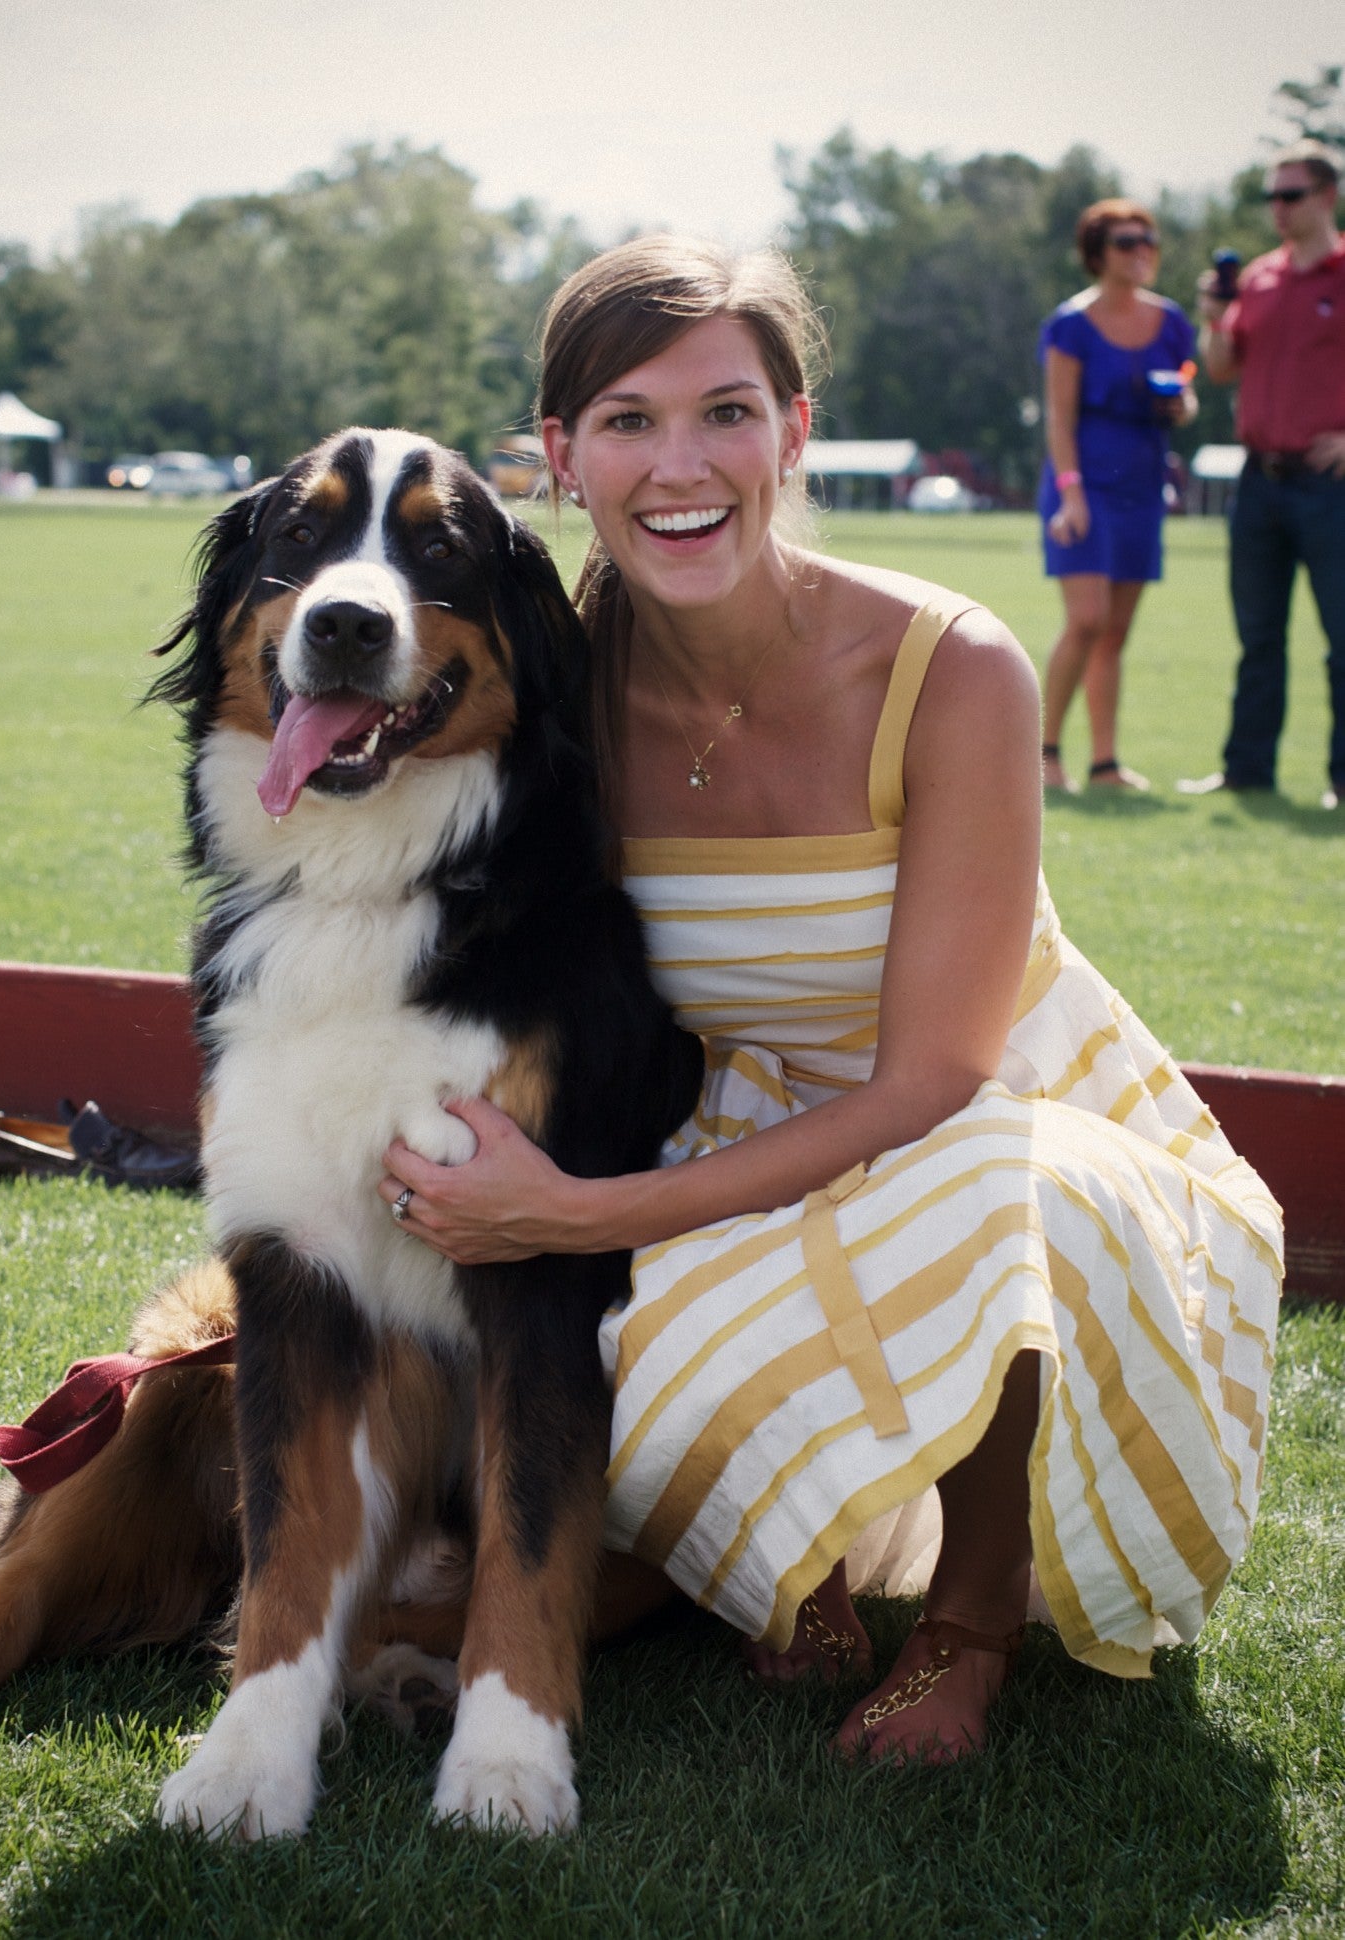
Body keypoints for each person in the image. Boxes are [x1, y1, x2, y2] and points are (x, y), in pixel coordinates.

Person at [379, 237, 1283, 1764]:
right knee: (568, 1375)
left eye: (726, 413)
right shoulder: (550, 686)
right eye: (628, 420)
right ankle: (796, 1556)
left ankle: (969, 1622)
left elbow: (934, 1083)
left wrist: (573, 1218)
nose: (682, 464)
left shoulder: (955, 668)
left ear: (794, 432)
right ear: (560, 455)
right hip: (720, 1133)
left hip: (1006, 1127)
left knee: (993, 1190)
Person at [1179, 140, 1345, 810]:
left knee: (1343, 639)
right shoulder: (1259, 278)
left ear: (1327, 196)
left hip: (1329, 485)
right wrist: (1212, 319)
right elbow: (1221, 368)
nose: (1278, 207)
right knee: (1258, 638)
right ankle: (1247, 772)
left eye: (1290, 195)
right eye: (1271, 196)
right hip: (1260, 481)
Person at [1037, 201, 1197, 794]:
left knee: (1115, 633)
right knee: (1086, 620)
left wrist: (1181, 406)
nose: (1142, 251)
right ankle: (1044, 756)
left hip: (1141, 487)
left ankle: (1105, 766)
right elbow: (1058, 418)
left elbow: (1187, 395)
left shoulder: (1171, 320)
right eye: (1127, 242)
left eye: (1148, 240)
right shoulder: (1071, 324)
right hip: (1083, 486)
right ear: (1097, 253)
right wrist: (1071, 494)